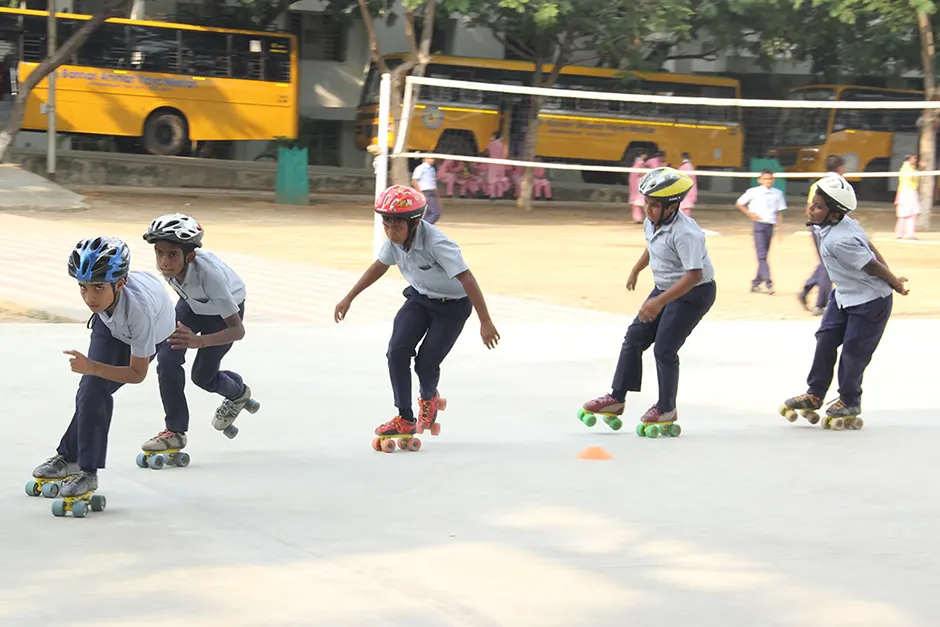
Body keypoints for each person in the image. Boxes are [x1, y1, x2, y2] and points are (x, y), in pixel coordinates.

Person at [334, 185, 500, 443]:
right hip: (420, 299)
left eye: (396, 226)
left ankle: (429, 397)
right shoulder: (394, 240)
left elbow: (467, 278)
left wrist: (485, 321)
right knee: (396, 350)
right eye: (386, 224)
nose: (390, 232)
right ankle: (404, 418)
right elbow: (379, 266)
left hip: (452, 307)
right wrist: (349, 297)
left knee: (426, 363)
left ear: (414, 223)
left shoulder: (438, 243)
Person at [29, 237, 175, 501]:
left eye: (98, 287)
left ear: (120, 283)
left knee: (96, 385)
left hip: (148, 334)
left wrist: (93, 366)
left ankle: (87, 471)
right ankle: (69, 458)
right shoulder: (105, 299)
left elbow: (137, 374)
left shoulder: (140, 313)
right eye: (82, 287)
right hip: (110, 325)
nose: (90, 297)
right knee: (90, 390)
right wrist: (93, 370)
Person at [579, 167, 717, 437]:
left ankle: (667, 407)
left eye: (654, 205)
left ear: (673, 206)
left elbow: (693, 275)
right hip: (666, 288)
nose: (648, 209)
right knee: (634, 337)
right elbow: (652, 246)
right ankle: (616, 398)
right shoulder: (652, 222)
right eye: (646, 203)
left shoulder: (687, 233)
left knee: (664, 349)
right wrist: (636, 269)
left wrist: (658, 302)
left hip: (693, 292)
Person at [779, 175, 909, 429]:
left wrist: (893, 281)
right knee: (825, 339)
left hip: (870, 301)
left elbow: (870, 263)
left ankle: (850, 400)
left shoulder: (842, 238)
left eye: (818, 206)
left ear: (834, 214)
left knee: (853, 352)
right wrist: (890, 273)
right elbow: (870, 247)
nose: (811, 209)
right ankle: (815, 393)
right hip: (844, 296)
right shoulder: (837, 224)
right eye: (813, 203)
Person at [141, 213, 257, 449]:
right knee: (167, 358)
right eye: (159, 253)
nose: (164, 261)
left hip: (223, 315)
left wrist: (199, 341)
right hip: (194, 304)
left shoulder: (211, 277)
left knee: (202, 377)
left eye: (172, 255)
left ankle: (238, 393)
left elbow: (238, 330)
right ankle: (175, 431)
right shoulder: (172, 269)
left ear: (190, 256)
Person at [799, 155, 844, 314]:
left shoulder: (818, 183)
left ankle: (808, 288)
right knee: (828, 264)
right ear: (840, 167)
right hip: (828, 226)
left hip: (816, 225)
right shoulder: (840, 184)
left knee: (825, 262)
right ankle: (821, 303)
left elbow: (809, 209)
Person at [736, 169, 786, 294]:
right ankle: (769, 282)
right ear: (760, 180)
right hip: (759, 225)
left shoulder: (777, 193)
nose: (768, 181)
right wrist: (750, 214)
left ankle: (756, 282)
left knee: (763, 256)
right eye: (766, 179)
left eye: (770, 179)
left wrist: (780, 230)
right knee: (762, 255)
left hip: (770, 225)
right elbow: (740, 203)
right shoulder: (754, 192)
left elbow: (778, 212)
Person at [411, 157, 443, 224]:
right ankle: (422, 227)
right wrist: (421, 193)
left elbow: (432, 183)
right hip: (425, 192)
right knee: (434, 213)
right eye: (430, 158)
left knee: (429, 213)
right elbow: (414, 181)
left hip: (431, 192)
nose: (432, 160)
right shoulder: (420, 168)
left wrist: (437, 195)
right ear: (424, 159)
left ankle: (422, 227)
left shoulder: (432, 169)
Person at [894, 154, 919, 239]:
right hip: (907, 192)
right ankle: (907, 234)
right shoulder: (906, 168)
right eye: (914, 158)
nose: (915, 160)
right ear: (910, 159)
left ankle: (901, 233)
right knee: (908, 214)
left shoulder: (911, 168)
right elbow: (910, 177)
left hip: (908, 191)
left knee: (906, 214)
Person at [678, 152, 697, 217]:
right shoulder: (690, 166)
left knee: (684, 208)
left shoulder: (683, 167)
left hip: (685, 190)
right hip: (690, 190)